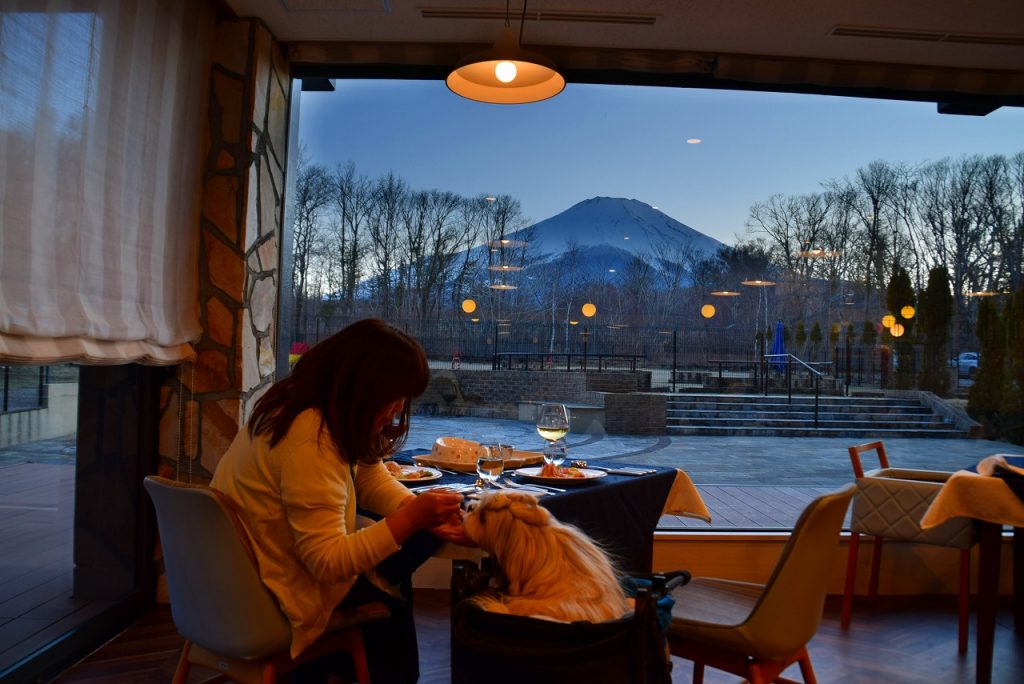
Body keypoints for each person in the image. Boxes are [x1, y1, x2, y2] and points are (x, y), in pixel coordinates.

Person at [211, 318, 465, 683]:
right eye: (394, 397)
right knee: (398, 578)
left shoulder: (297, 404)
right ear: (364, 386)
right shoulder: (310, 439)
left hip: (244, 575)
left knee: (409, 545)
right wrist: (412, 520)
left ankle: (386, 586)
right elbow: (327, 563)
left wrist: (413, 509)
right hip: (272, 595)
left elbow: (368, 473)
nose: (397, 409)